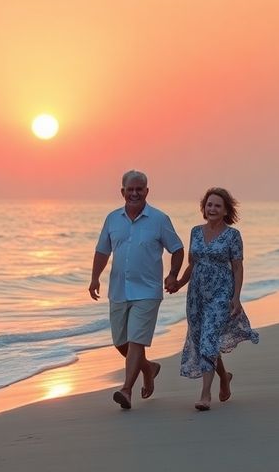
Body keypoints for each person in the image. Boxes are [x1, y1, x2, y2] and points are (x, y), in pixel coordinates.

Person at [89, 170, 185, 410]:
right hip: (119, 290)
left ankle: (126, 390)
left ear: (147, 191)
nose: (134, 193)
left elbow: (177, 249)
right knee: (120, 341)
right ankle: (148, 368)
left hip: (148, 291)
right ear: (122, 191)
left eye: (139, 189)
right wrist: (94, 278)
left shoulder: (159, 219)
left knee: (135, 341)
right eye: (130, 189)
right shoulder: (112, 219)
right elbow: (102, 251)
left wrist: (173, 274)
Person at [176, 187, 259, 411]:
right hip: (196, 295)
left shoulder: (233, 235)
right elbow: (192, 264)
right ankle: (224, 377)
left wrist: (236, 297)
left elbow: (238, 268)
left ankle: (205, 395)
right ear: (204, 208)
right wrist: (178, 283)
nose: (212, 209)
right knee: (202, 339)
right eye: (209, 204)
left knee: (209, 338)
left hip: (221, 293)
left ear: (225, 211)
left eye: (217, 206)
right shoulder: (195, 232)